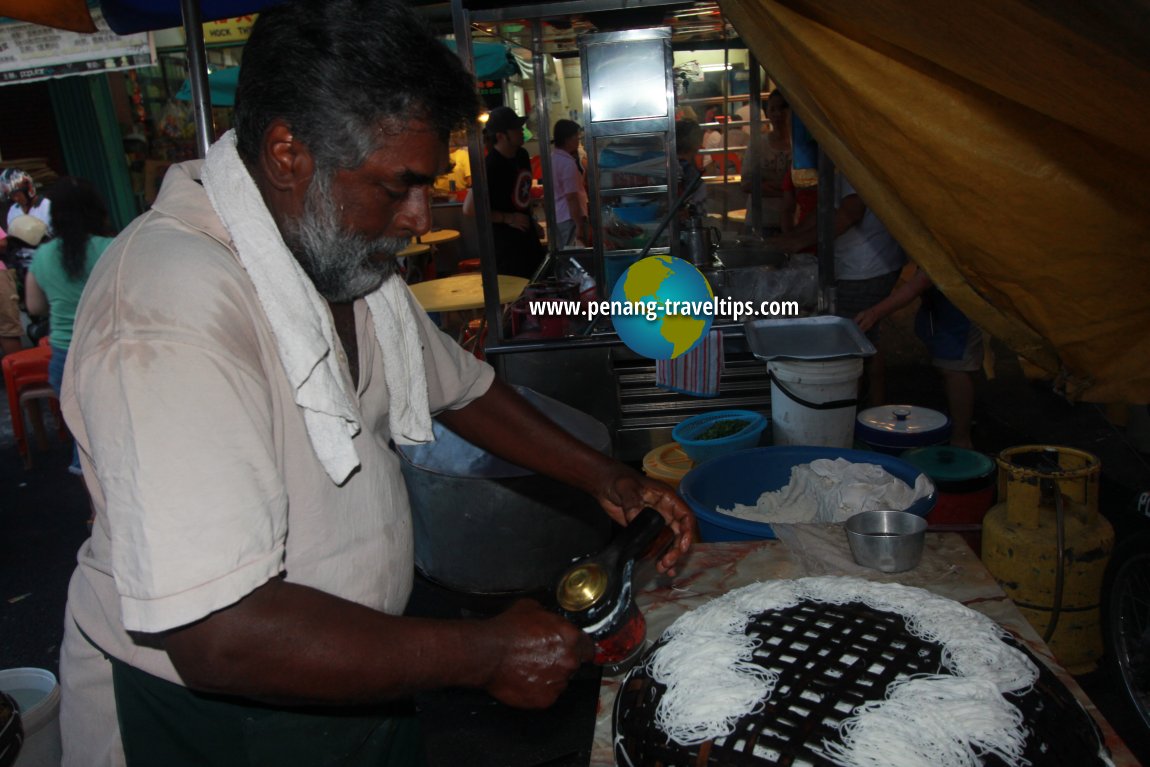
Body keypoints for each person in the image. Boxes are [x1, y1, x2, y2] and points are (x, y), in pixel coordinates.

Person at [57, 2, 696, 766]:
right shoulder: (170, 308)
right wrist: (483, 653)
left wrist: (608, 478)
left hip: (355, 669)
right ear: (288, 152)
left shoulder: (339, 263)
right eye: (399, 187)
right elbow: (217, 633)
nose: (420, 217)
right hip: (206, 717)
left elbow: (462, 388)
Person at [766, 172, 905, 405]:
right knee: (864, 339)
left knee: (851, 347)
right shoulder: (835, 164)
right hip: (862, 263)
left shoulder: (847, 159)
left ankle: (853, 412)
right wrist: (791, 237)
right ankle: (871, 408)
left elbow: (851, 212)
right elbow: (825, 211)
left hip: (866, 266)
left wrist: (799, 241)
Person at [24, 177, 114, 473]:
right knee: (116, 432)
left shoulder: (43, 255)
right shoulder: (111, 249)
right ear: (96, 210)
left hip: (64, 356)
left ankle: (92, 512)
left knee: (83, 436)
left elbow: (35, 307)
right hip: (109, 351)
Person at [855, 266, 983, 448]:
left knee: (955, 369)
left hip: (962, 303)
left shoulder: (944, 247)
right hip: (942, 299)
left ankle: (961, 439)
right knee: (947, 366)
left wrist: (874, 313)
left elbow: (916, 285)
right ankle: (957, 420)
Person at [464, 105, 546, 279]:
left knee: (538, 287)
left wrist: (532, 221)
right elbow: (469, 209)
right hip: (505, 246)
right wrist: (508, 218)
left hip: (528, 239)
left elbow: (521, 195)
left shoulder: (522, 155)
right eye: (516, 128)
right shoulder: (489, 166)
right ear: (501, 136)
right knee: (517, 296)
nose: (521, 131)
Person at [740, 91, 791, 234]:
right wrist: (787, 190)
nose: (777, 114)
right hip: (761, 221)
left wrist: (767, 183)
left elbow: (807, 186)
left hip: (795, 223)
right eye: (772, 109)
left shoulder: (801, 146)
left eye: (782, 108)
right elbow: (746, 184)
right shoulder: (757, 143)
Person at [549, 119, 587, 248]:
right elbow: (571, 197)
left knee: (563, 254)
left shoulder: (553, 158)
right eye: (576, 137)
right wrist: (578, 224)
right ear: (567, 139)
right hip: (569, 218)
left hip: (558, 216)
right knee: (572, 255)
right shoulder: (567, 163)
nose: (578, 140)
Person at [1, 169, 51, 233]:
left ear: (28, 189)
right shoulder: (13, 211)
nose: (16, 198)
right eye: (11, 196)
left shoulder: (47, 206)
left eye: (17, 194)